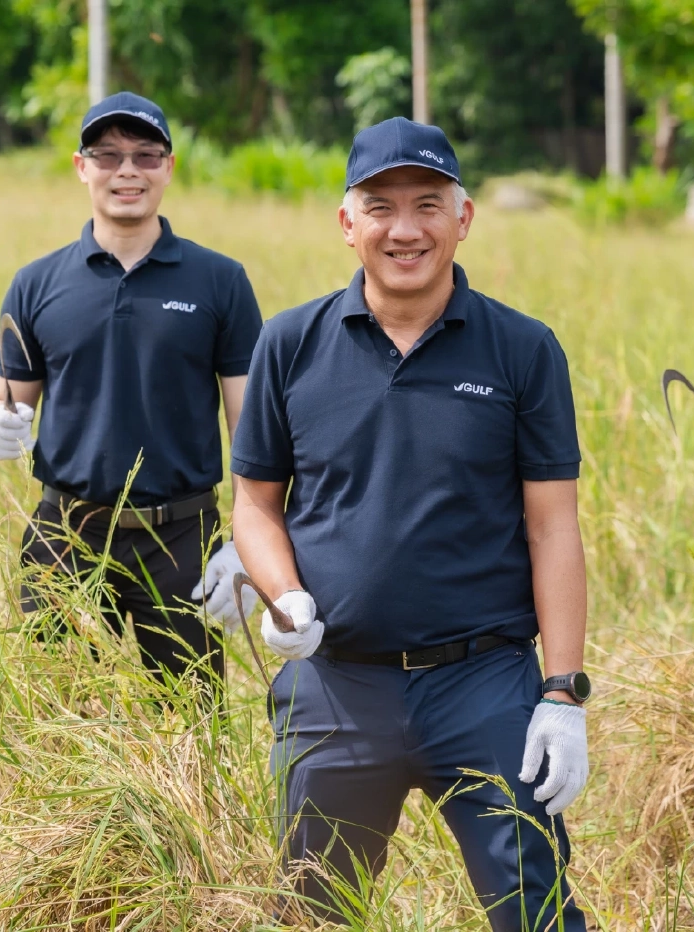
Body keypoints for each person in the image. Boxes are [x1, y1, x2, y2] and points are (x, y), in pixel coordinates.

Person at [231, 118, 590, 929]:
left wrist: (563, 694)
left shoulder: (522, 349)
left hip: (485, 683)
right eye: (380, 205)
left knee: (534, 906)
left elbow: (552, 529)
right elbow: (254, 506)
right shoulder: (289, 344)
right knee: (313, 909)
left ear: (462, 219)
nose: (404, 229)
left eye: (427, 204)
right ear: (346, 222)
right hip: (335, 684)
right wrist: (284, 598)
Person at [0, 92, 262, 688]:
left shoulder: (221, 281)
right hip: (66, 535)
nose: (127, 170)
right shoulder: (36, 284)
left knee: (188, 726)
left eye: (144, 154)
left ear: (169, 167)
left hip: (183, 537)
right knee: (61, 729)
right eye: (107, 156)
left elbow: (253, 431)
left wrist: (246, 548)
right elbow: (10, 401)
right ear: (81, 167)